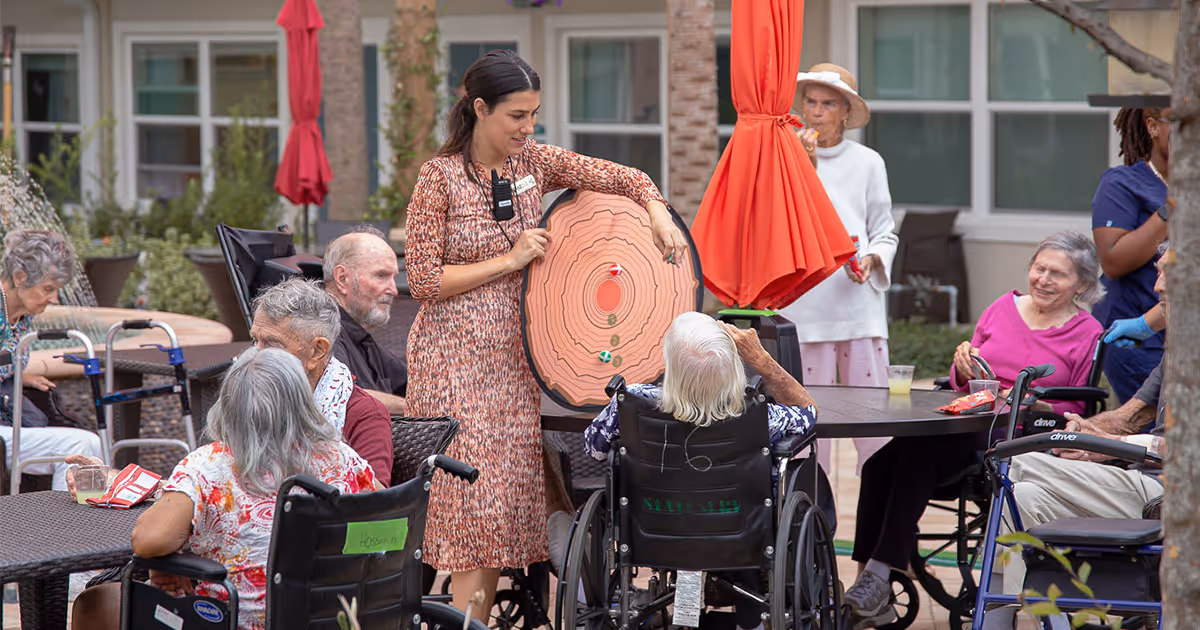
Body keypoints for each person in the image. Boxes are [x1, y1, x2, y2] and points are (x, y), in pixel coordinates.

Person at [404, 49, 688, 621]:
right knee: (472, 507)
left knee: (499, 508)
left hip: (514, 362)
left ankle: (477, 618)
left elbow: (622, 175)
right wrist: (509, 260)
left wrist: (656, 211)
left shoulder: (532, 162)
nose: (526, 127)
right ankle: (469, 620)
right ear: (480, 109)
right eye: (516, 115)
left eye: (533, 114)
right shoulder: (439, 179)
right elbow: (424, 280)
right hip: (452, 361)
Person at [845, 232, 1105, 629]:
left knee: (919, 450)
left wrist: (1027, 399)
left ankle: (879, 576)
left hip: (1020, 432)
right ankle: (870, 576)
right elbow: (958, 380)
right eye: (1039, 268)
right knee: (883, 459)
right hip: (969, 418)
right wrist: (962, 366)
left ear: (1082, 285)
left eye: (1058, 274)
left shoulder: (1085, 333)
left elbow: (1076, 408)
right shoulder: (1002, 308)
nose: (1044, 279)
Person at [70, 347, 382, 630]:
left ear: (229, 405)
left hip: (226, 620)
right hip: (336, 618)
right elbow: (388, 512)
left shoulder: (210, 465)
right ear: (302, 402)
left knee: (97, 603)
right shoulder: (341, 459)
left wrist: (176, 559)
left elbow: (148, 542)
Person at [583, 311, 818, 630]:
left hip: (653, 531)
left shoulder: (632, 403)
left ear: (672, 365)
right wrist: (763, 361)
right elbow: (810, 412)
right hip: (740, 532)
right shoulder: (762, 417)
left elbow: (595, 448)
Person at [982, 251, 1171, 630]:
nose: (1157, 286)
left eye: (1170, 275)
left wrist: (1112, 448)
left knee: (1011, 461)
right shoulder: (1179, 348)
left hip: (1170, 493)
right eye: (1158, 273)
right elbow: (1128, 416)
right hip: (1139, 482)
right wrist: (1088, 433)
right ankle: (1045, 624)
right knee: (1020, 495)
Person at [776, 63, 898, 473]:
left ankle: (881, 524)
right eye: (810, 101)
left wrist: (871, 258)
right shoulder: (784, 160)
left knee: (875, 427)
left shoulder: (868, 162)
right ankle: (811, 527)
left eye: (828, 103)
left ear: (846, 111)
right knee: (808, 433)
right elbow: (782, 223)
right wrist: (804, 165)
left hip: (857, 311)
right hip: (803, 309)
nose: (816, 111)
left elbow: (884, 231)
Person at [250, 277, 394, 484]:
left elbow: (376, 506)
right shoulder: (251, 397)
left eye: (272, 343)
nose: (257, 355)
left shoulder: (364, 413)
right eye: (256, 340)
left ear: (317, 351)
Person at [0, 230, 103, 491]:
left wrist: (18, 375)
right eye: (48, 289)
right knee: (80, 446)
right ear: (20, 278)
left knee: (89, 445)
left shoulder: (22, 315)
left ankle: (82, 523)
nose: (54, 298)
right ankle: (67, 524)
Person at [1091, 106, 1171, 403]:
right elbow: (1113, 261)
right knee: (1152, 434)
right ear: (1153, 126)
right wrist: (1176, 204)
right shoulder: (1122, 183)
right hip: (1138, 336)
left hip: (1183, 327)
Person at [323, 225, 409, 416]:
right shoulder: (322, 328)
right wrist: (413, 407)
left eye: (394, 278)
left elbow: (407, 383)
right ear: (342, 278)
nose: (393, 290)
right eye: (381, 276)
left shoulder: (356, 332)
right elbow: (343, 394)